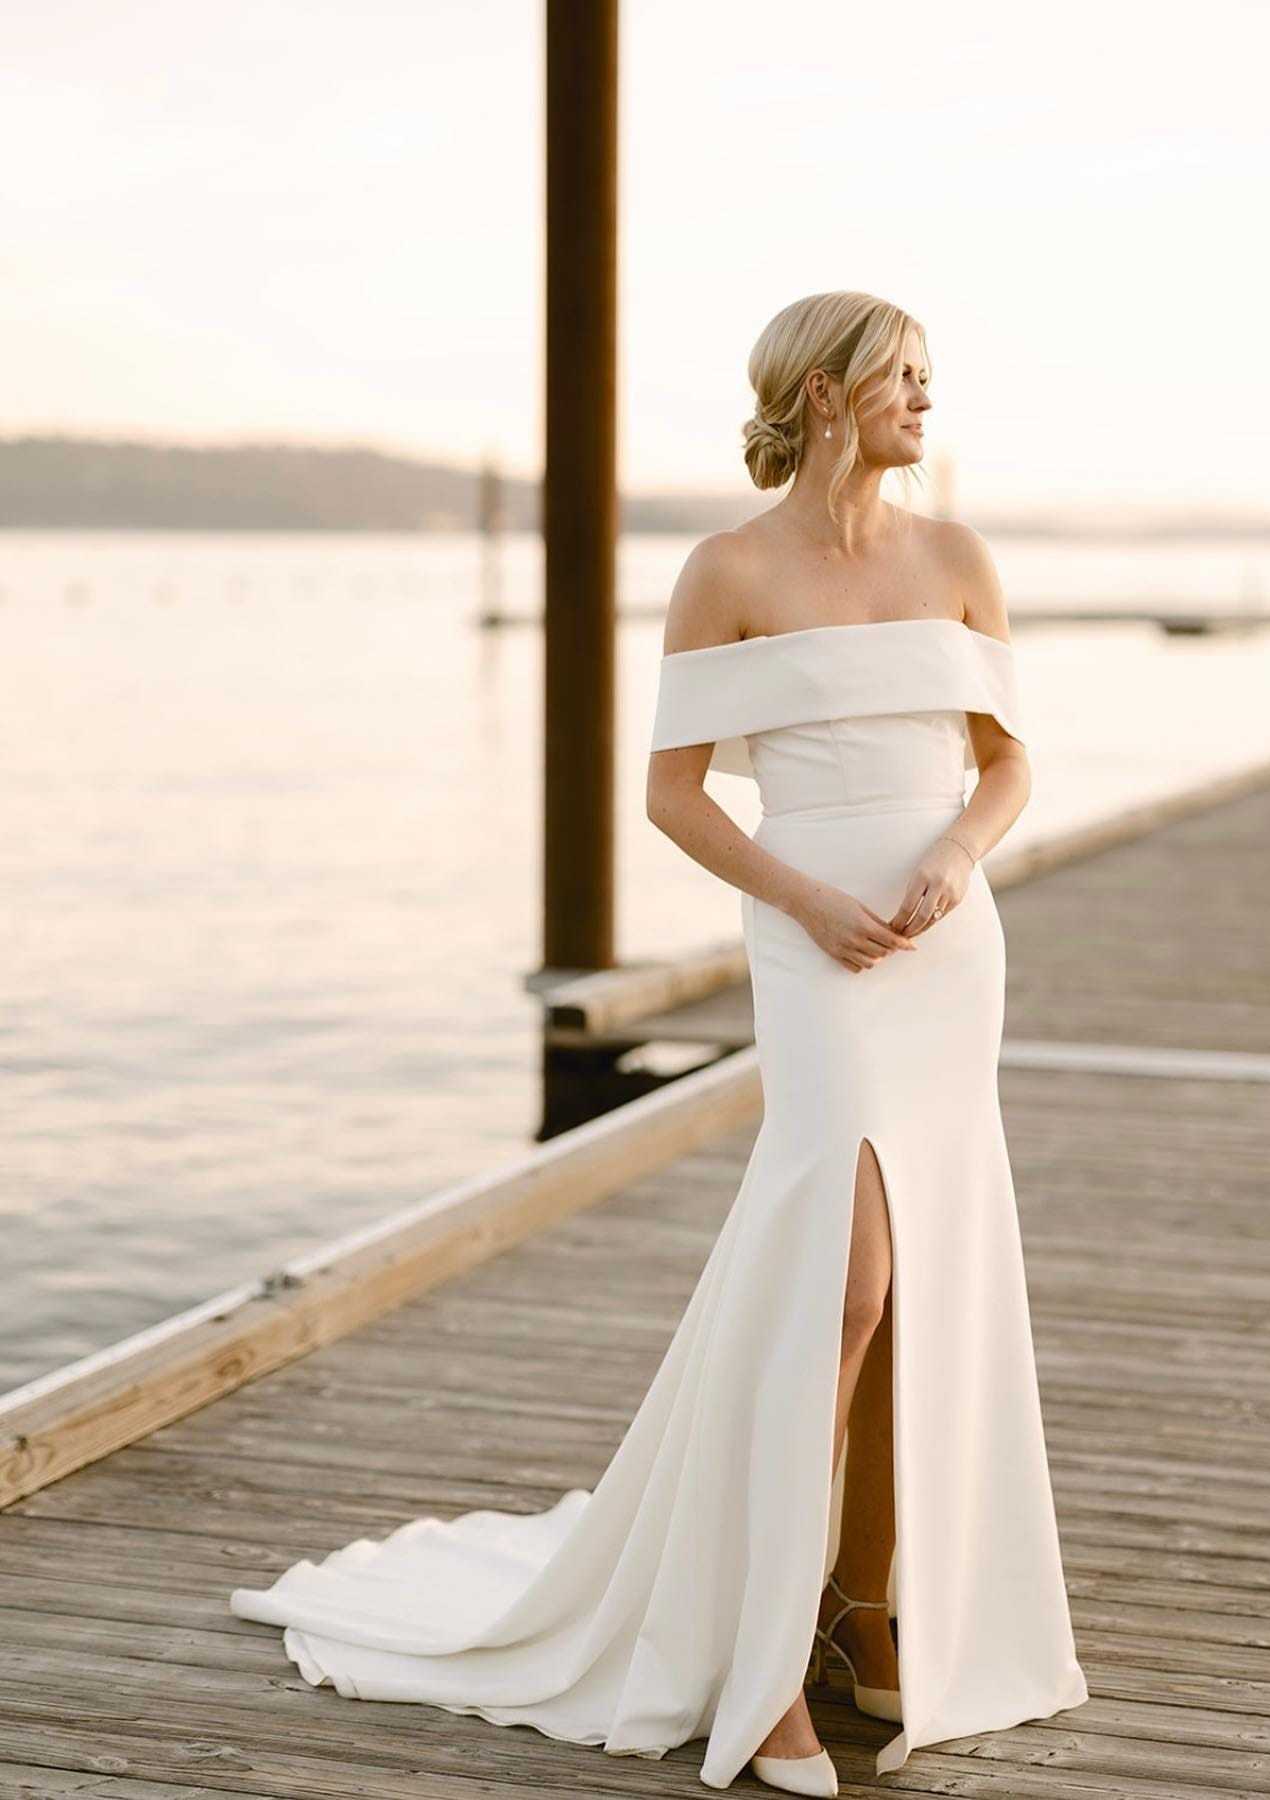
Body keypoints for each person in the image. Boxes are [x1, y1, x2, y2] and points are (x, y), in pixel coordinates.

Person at [229, 290, 1089, 1796]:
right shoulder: (726, 570)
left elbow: (1010, 768)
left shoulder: (957, 557)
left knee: (925, 1282)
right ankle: (761, 1668)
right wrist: (810, 900)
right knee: (846, 1283)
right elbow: (677, 797)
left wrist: (960, 851)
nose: (928, 405)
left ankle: (873, 1617)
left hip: (950, 949)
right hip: (814, 935)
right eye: (905, 380)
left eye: (931, 382)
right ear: (826, 394)